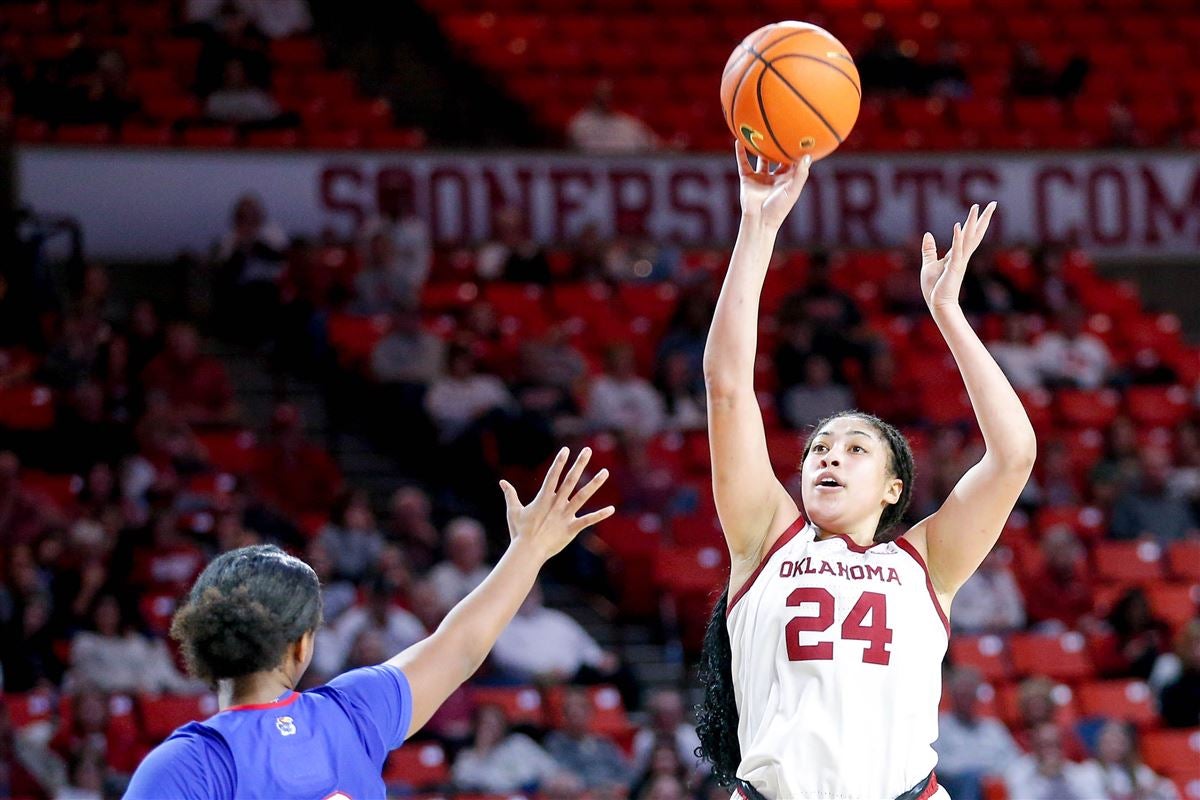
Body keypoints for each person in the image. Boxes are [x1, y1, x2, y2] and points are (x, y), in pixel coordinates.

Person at [694, 145, 1036, 800]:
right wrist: (758, 228)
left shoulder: (927, 561)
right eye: (819, 447)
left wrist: (949, 315)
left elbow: (1014, 454)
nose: (828, 456)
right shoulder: (766, 536)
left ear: (893, 488)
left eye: (855, 449)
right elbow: (727, 386)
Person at [124, 447, 614, 798]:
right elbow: (461, 644)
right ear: (301, 646)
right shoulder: (351, 715)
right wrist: (528, 551)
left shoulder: (183, 767)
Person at [934, 667, 1021, 800]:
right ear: (952, 696)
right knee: (970, 780)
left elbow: (1013, 760)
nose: (966, 699)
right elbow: (938, 764)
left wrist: (989, 775)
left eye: (970, 694)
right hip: (953, 787)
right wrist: (977, 770)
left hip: (991, 784)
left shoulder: (993, 728)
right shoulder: (940, 726)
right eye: (962, 694)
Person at [450, 704, 560, 793]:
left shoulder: (519, 743)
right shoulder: (467, 757)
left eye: (497, 722)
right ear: (476, 727)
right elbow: (464, 785)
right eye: (487, 723)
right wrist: (483, 751)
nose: (492, 728)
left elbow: (550, 768)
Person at [543, 688, 632, 791]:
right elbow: (559, 774)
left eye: (580, 708)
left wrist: (617, 785)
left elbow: (625, 772)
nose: (575, 712)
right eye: (570, 709)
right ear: (563, 716)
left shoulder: (604, 743)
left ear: (590, 713)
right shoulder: (555, 743)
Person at [1004, 723, 1107, 800]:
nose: (1052, 751)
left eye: (1056, 745)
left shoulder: (1078, 773)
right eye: (1045, 745)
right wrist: (1045, 778)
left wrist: (1065, 780)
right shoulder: (1018, 772)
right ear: (1034, 748)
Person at [1088, 720, 1179, 800]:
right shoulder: (1088, 771)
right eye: (1109, 742)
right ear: (1099, 744)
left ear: (1128, 746)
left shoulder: (1140, 771)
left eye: (1119, 742)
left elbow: (1167, 792)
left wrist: (1154, 788)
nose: (1114, 747)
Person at [567, 80, 659, 153]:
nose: (605, 101)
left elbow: (652, 147)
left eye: (608, 96)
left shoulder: (630, 125)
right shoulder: (579, 124)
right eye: (601, 97)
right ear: (593, 98)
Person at [427, 517, 492, 611]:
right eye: (461, 547)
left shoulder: (492, 575)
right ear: (450, 548)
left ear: (482, 548)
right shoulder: (438, 576)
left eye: (471, 546)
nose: (466, 553)